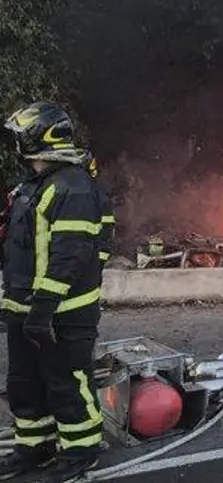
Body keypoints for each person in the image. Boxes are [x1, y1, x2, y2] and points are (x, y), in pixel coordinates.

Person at [0, 102, 107, 482]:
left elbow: (69, 257)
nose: (14, 144)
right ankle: (35, 447)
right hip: (24, 308)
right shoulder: (33, 186)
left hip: (62, 312)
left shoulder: (72, 187)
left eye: (19, 136)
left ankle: (81, 451)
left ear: (36, 137)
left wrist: (44, 310)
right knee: (25, 384)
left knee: (66, 382)